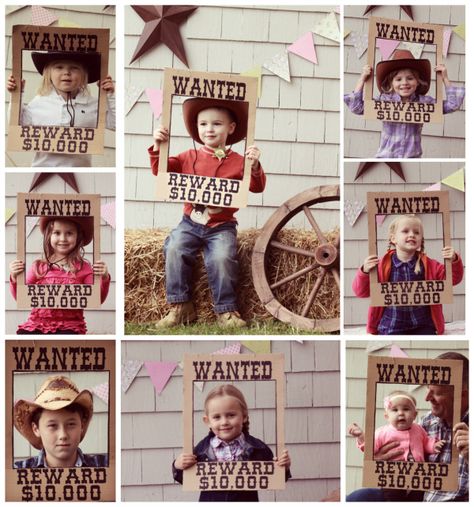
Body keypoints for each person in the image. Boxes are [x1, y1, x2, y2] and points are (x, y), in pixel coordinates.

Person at [149, 97, 266, 328]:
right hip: (190, 223)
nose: (209, 129)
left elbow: (257, 187)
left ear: (231, 128)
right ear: (197, 128)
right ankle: (180, 306)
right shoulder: (187, 157)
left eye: (216, 124)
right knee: (174, 247)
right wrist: (157, 146)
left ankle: (226, 311)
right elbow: (159, 171)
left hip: (221, 226)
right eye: (203, 124)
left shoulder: (239, 161)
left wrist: (254, 166)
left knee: (222, 258)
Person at [347, 351, 469, 502]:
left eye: (436, 392)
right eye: (427, 389)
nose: (427, 398)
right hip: (414, 495)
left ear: (462, 395)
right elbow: (407, 446)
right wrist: (378, 460)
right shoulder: (426, 422)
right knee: (357, 498)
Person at [172, 384, 291, 501]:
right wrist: (178, 465)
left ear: (244, 416)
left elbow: (276, 478)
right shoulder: (202, 450)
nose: (224, 422)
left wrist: (283, 467)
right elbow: (186, 479)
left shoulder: (258, 448)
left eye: (231, 415)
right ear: (207, 421)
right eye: (217, 417)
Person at [352, 214, 463, 335]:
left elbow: (453, 279)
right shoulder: (380, 266)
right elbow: (360, 292)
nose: (411, 235)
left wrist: (454, 260)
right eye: (405, 231)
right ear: (393, 238)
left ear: (421, 240)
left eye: (416, 232)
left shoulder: (430, 266)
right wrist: (365, 271)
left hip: (422, 325)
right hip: (391, 326)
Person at [344, 49, 465, 158]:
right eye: (398, 79)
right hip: (386, 157)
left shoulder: (425, 102)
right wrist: (362, 79)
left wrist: (445, 78)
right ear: (391, 83)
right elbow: (356, 108)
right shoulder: (384, 100)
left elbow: (452, 105)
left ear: (418, 82)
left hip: (412, 158)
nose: (405, 82)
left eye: (410, 78)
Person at [7, 50, 115, 167]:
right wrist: (17, 95)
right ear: (48, 73)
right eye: (59, 67)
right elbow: (17, 124)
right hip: (43, 170)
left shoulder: (93, 104)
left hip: (80, 173)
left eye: (74, 68)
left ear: (84, 74)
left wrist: (111, 95)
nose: (67, 72)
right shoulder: (39, 102)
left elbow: (115, 124)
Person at [9, 216, 110, 334]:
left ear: (78, 236)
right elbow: (21, 297)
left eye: (69, 233)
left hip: (70, 326)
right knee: (22, 337)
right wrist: (14, 277)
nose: (63, 238)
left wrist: (104, 277)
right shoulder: (38, 267)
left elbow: (96, 299)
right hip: (37, 324)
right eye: (57, 233)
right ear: (48, 236)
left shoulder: (84, 268)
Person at [348, 390, 445, 501]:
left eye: (406, 409)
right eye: (395, 410)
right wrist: (361, 437)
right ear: (387, 416)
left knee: (417, 497)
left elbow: (426, 442)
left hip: (417, 476)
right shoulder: (382, 433)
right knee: (393, 498)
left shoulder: (418, 429)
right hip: (393, 478)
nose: (400, 413)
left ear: (415, 414)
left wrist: (434, 446)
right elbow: (371, 448)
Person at [13, 375, 108, 468]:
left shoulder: (105, 465)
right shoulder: (17, 472)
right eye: (52, 425)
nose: (63, 435)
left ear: (82, 426)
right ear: (36, 429)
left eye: (71, 424)